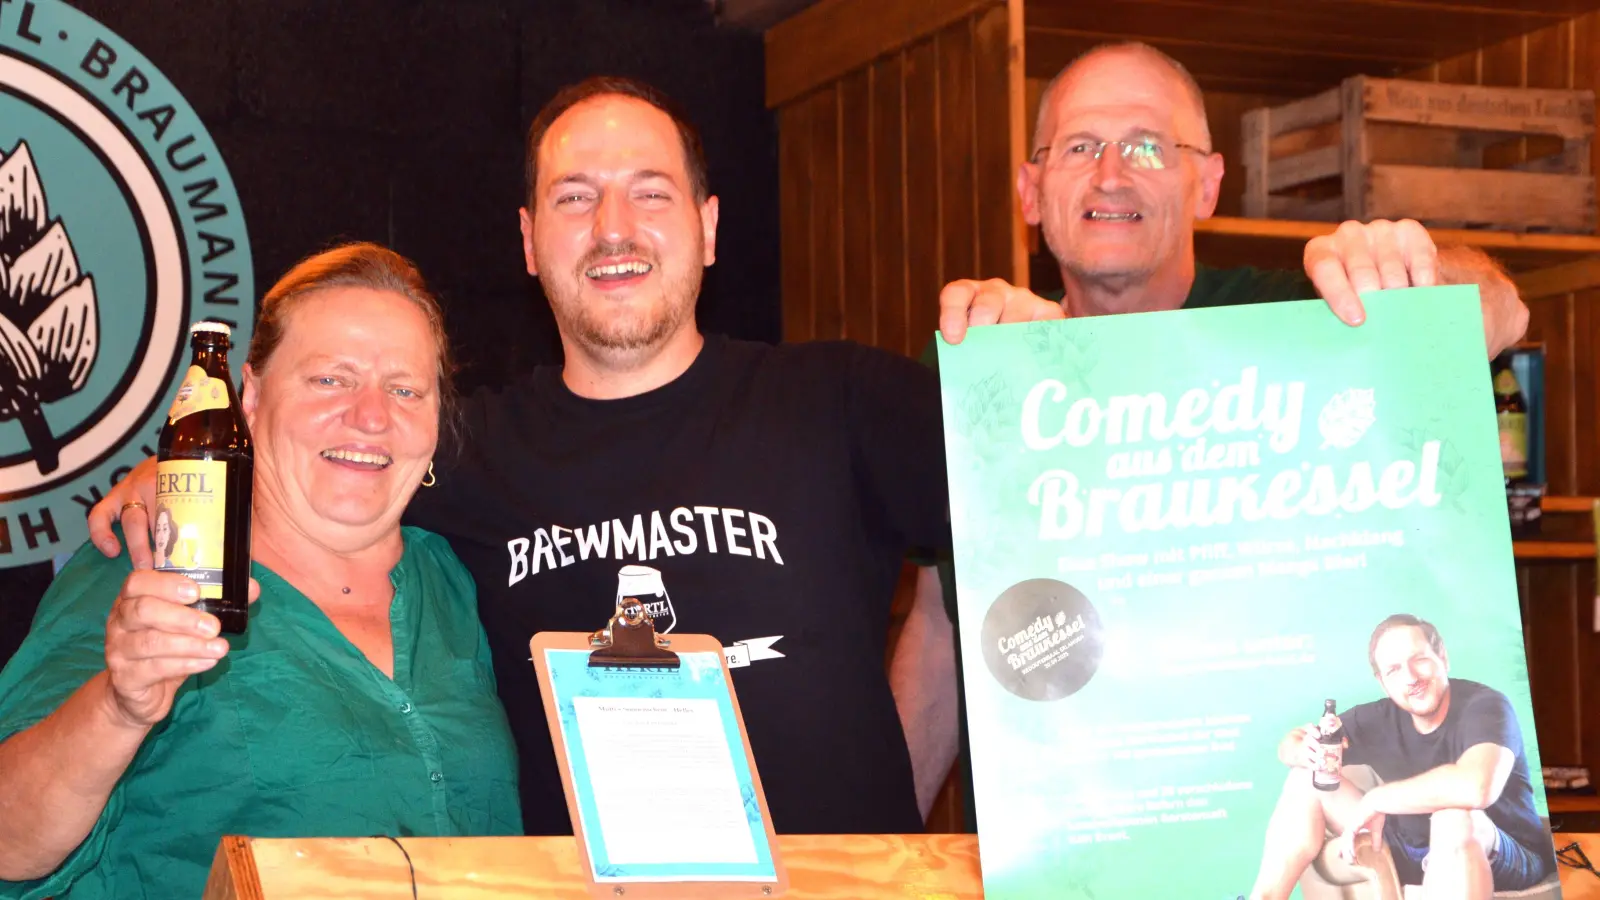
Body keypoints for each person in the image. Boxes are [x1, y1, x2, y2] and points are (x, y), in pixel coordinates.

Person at [89, 77, 961, 837]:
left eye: (650, 194)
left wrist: (1033, 353)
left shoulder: (843, 401)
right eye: (575, 198)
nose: (613, 228)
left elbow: (1058, 506)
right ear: (530, 241)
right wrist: (185, 472)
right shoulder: (459, 450)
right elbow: (321, 456)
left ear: (709, 226)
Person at [916, 40, 1534, 831]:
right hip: (1077, 842)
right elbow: (939, 629)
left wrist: (1410, 274)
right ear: (1030, 192)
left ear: (1207, 184)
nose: (1111, 173)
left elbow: (1501, 311)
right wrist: (870, 849)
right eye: (1080, 146)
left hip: (1290, 818)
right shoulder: (990, 376)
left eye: (1147, 145)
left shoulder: (1310, 324)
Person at [0, 244, 521, 899]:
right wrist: (117, 708)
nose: (370, 416)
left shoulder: (453, 580)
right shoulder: (152, 562)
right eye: (331, 379)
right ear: (248, 396)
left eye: (405, 389)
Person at [1248, 615, 1555, 899]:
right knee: (1306, 778)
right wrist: (1305, 750)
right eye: (1394, 670)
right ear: (1383, 682)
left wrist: (1376, 798)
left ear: (1442, 658)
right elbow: (1290, 744)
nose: (1410, 677)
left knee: (1453, 820)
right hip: (1410, 849)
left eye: (1419, 660)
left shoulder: (1486, 707)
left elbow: (1477, 788)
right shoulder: (1378, 717)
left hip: (1506, 852)